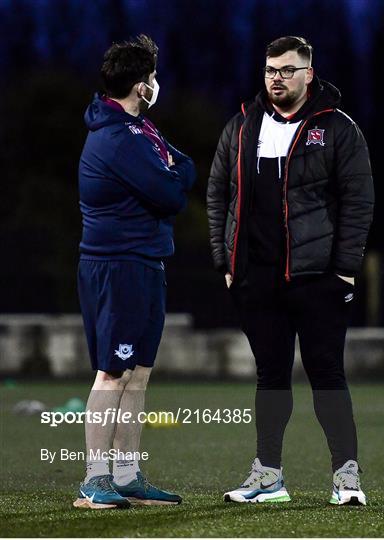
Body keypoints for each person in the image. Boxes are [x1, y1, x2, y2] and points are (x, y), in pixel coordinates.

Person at [207, 36, 374, 505]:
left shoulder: (337, 128)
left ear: (308, 75)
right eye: (269, 70)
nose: (276, 78)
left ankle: (346, 479)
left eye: (286, 69)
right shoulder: (242, 125)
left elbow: (359, 200)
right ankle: (269, 477)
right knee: (270, 376)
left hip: (318, 277)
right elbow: (218, 191)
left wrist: (344, 269)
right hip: (256, 279)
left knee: (327, 374)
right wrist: (225, 262)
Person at [76, 35, 195, 508]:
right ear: (141, 86)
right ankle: (94, 479)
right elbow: (172, 195)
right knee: (112, 374)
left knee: (139, 372)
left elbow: (184, 167)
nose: (155, 84)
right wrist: (168, 174)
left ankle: (126, 475)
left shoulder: (140, 129)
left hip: (145, 262)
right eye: (152, 77)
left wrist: (169, 171)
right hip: (117, 265)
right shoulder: (115, 137)